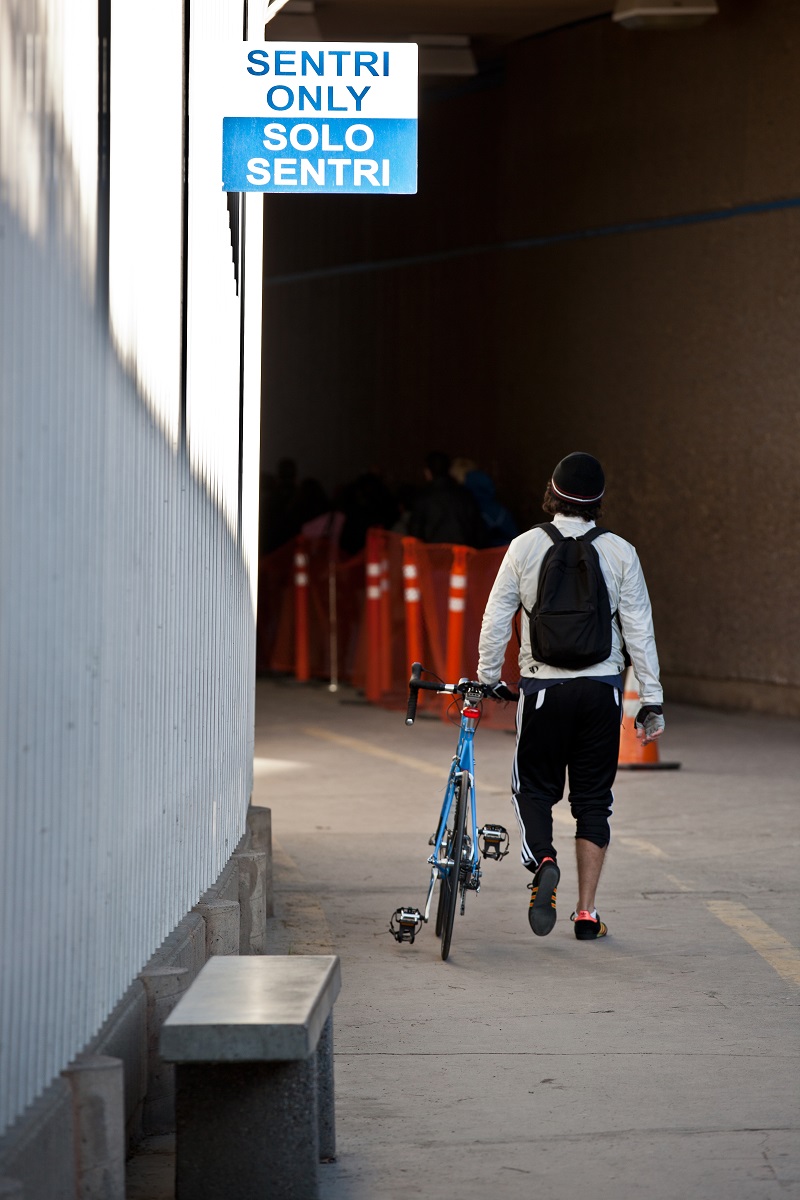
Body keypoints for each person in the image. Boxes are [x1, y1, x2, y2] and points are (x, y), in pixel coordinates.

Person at [477, 452, 665, 941]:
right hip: (602, 691)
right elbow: (639, 630)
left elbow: (496, 619)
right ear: (599, 501)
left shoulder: (524, 547)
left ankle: (543, 861)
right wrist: (652, 698)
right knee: (593, 802)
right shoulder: (620, 551)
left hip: (543, 688)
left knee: (533, 789)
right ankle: (586, 913)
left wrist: (487, 676)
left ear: (551, 493)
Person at [409, 451, 485, 547]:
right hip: (462, 556)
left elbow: (415, 532)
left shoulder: (423, 497)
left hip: (432, 556)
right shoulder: (465, 495)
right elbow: (478, 530)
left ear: (428, 472)